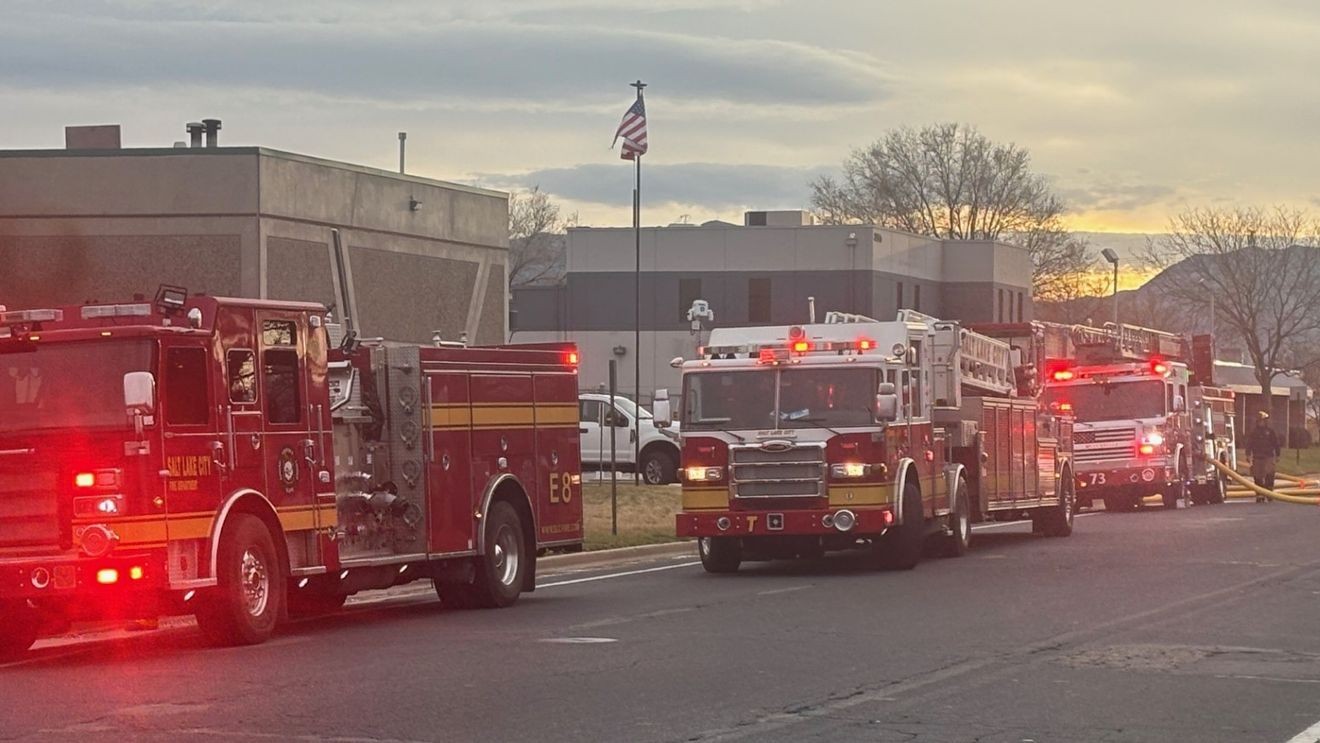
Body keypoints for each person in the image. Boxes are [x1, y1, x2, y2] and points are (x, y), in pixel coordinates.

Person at [1246, 411, 1281, 503]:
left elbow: (1276, 443)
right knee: (1257, 476)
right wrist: (1248, 454)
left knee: (1269, 475)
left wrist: (1277, 454)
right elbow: (1249, 444)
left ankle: (1269, 493)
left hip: (1268, 456)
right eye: (1259, 421)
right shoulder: (1254, 432)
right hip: (1257, 457)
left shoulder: (1270, 432)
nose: (1261, 422)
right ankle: (1259, 494)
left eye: (1263, 420)